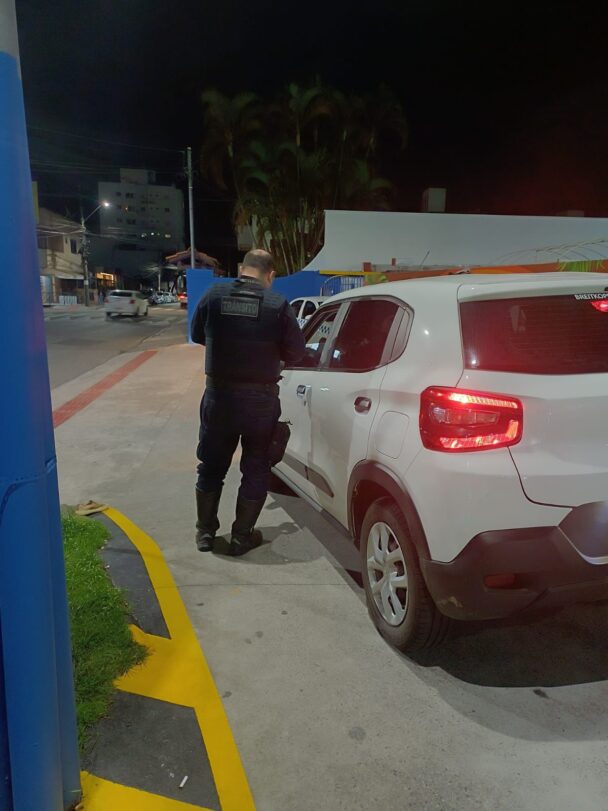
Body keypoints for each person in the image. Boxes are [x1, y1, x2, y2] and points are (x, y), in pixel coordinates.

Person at [191, 249, 306, 556]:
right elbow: (296, 352)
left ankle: (205, 533)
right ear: (271, 275)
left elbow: (198, 334)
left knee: (210, 466)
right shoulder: (277, 304)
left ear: (242, 269)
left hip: (219, 397)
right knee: (256, 468)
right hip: (260, 402)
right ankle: (241, 537)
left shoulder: (213, 295)